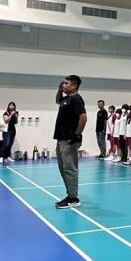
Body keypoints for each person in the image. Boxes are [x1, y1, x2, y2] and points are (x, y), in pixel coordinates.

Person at [54, 75, 87, 209]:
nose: (64, 85)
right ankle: (70, 195)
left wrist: (76, 135)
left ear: (74, 86)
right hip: (61, 139)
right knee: (63, 169)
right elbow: (58, 100)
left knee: (70, 169)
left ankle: (73, 199)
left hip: (69, 140)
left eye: (66, 83)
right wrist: (59, 88)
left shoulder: (77, 99)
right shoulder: (67, 99)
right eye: (63, 83)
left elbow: (83, 118)